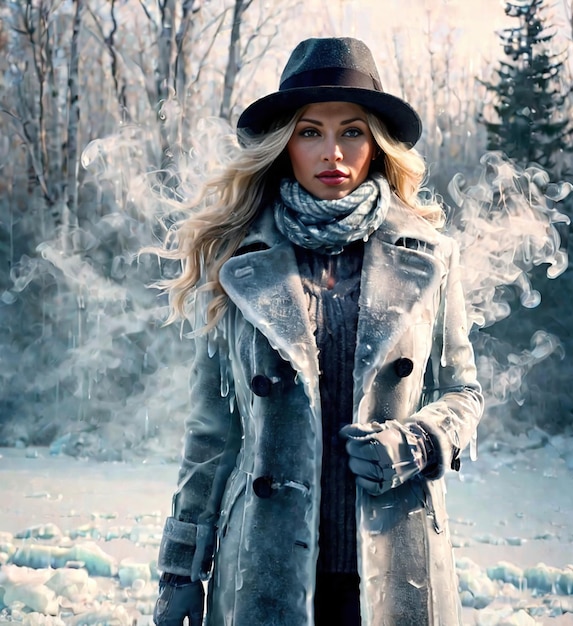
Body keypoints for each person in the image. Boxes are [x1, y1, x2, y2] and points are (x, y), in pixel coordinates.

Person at [152, 37, 484, 626]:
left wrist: (421, 443)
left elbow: (463, 393)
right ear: (285, 145)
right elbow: (212, 433)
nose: (333, 151)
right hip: (262, 570)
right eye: (310, 132)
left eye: (351, 131)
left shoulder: (433, 257)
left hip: (396, 559)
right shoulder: (237, 261)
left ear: (376, 144)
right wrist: (181, 570)